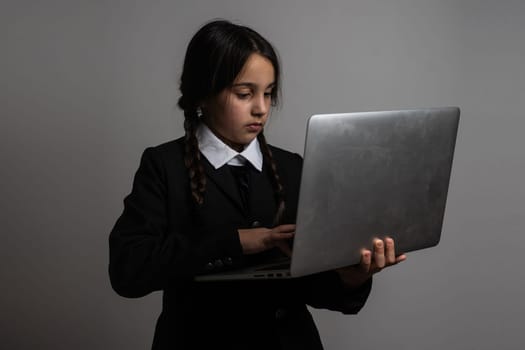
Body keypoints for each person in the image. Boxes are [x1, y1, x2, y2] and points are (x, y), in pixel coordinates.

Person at [109, 19, 406, 350]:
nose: (261, 108)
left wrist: (353, 278)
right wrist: (236, 242)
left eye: (268, 93)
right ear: (202, 94)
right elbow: (128, 272)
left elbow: (314, 290)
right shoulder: (163, 166)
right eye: (244, 93)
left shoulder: (292, 167)